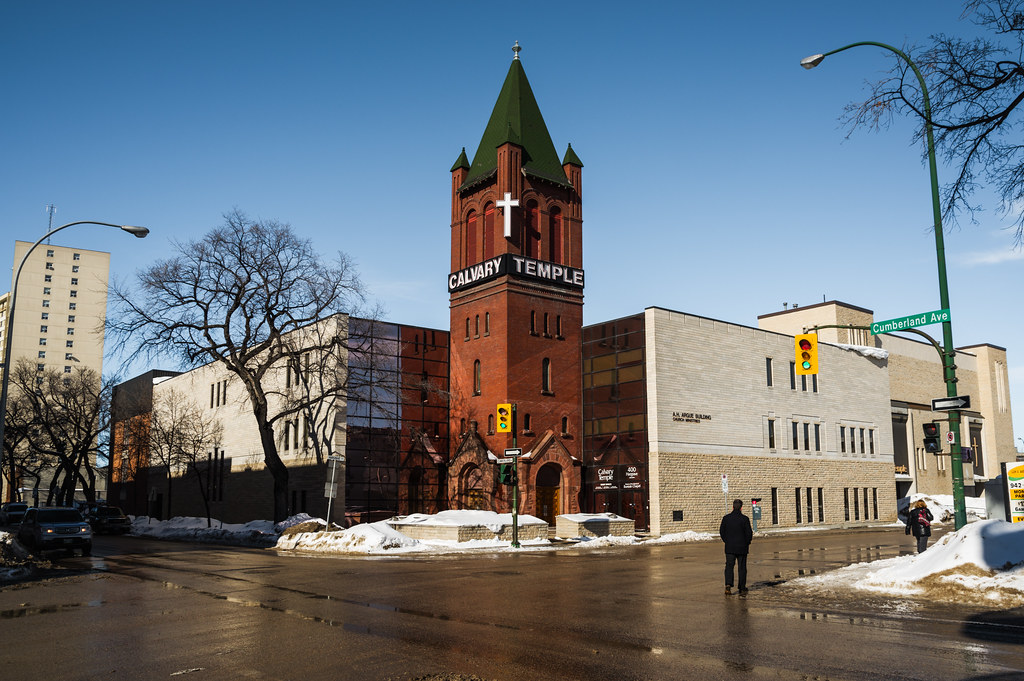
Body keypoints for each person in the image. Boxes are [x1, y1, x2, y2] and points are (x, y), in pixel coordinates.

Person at [719, 499, 753, 595]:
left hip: (730, 547)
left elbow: (722, 531)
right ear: (741, 508)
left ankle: (728, 585)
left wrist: (727, 541)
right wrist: (747, 542)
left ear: (732, 507)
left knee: (729, 566)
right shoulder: (745, 519)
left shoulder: (726, 518)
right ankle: (742, 587)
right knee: (742, 567)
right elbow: (749, 533)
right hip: (742, 547)